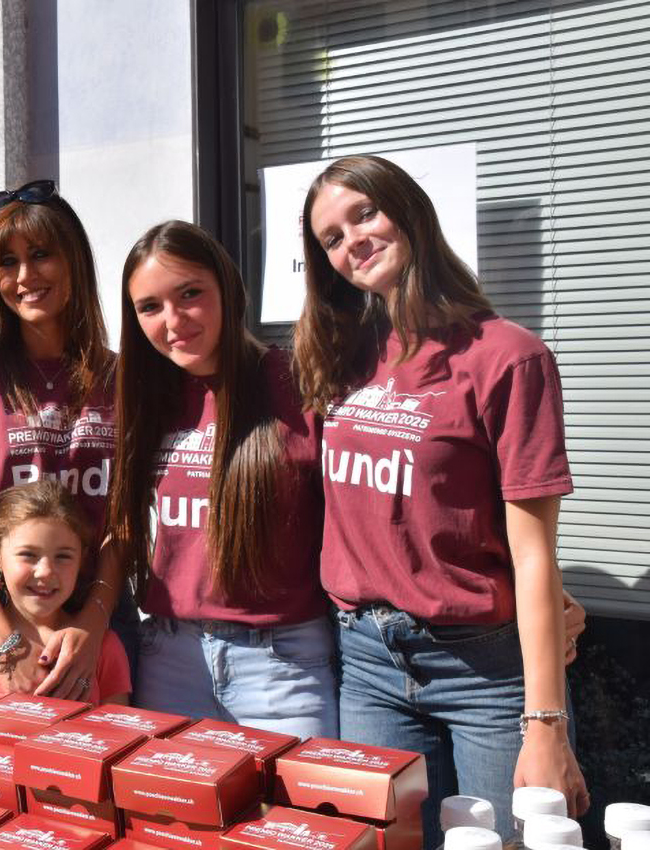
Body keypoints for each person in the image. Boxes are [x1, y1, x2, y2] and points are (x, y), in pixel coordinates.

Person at [295, 154, 588, 844]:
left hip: (485, 670)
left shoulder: (508, 356)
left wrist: (546, 725)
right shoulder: (338, 356)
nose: (352, 240)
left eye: (365, 214)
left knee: (513, 841)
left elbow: (533, 552)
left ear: (409, 210)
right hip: (367, 662)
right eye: (331, 237)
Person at [107, 220, 335, 739]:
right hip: (170, 658)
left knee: (295, 798)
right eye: (150, 307)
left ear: (228, 288)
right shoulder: (147, 399)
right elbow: (119, 527)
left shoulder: (299, 385)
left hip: (284, 665)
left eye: (190, 293)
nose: (173, 321)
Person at [0, 179, 131, 702]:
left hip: (100, 619)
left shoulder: (122, 378)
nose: (26, 276)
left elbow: (124, 522)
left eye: (41, 254)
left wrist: (94, 624)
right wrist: (0, 638)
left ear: (74, 259)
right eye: (7, 263)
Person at [0, 479, 131, 793]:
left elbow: (119, 758)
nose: (45, 571)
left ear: (83, 559)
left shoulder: (105, 648)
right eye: (28, 555)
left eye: (63, 556)